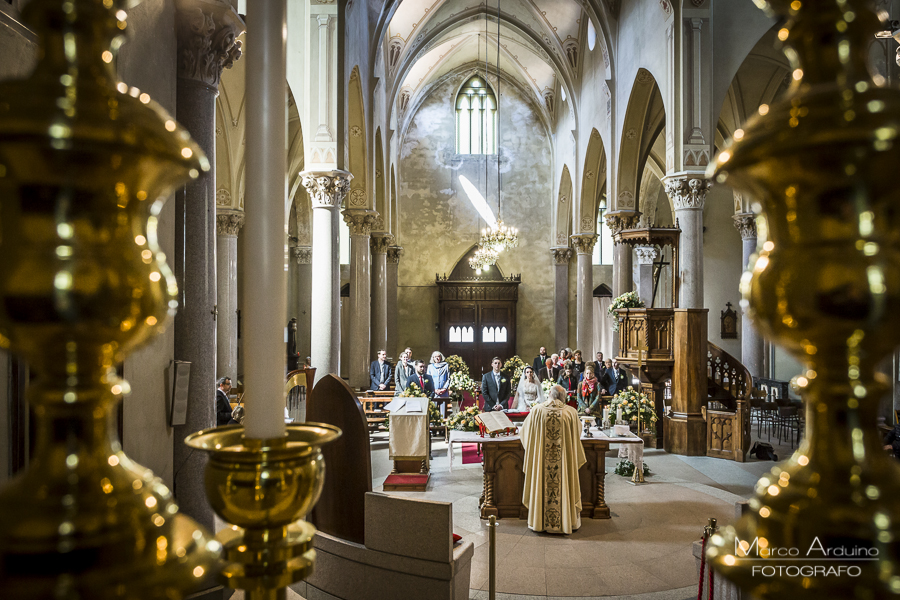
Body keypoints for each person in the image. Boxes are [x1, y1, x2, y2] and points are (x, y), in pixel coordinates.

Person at [520, 385, 586, 535]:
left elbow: (525, 434)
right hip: (563, 463)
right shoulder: (571, 412)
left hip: (542, 463)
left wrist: (537, 450)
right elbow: (577, 436)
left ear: (549, 394)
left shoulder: (537, 410)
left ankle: (539, 522)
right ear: (563, 397)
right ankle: (566, 521)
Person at [428, 351, 450, 416]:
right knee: (433, 412)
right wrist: (434, 389)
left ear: (441, 357)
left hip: (443, 392)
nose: (437, 358)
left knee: (443, 413)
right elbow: (428, 379)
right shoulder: (430, 367)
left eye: (438, 356)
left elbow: (449, 378)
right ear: (433, 358)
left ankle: (443, 425)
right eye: (435, 357)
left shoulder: (446, 366)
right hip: (434, 392)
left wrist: (444, 389)